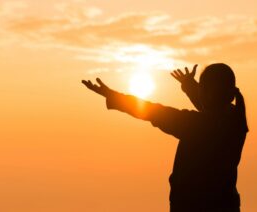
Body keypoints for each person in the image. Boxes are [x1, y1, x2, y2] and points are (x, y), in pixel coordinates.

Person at [82, 63, 248, 212]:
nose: (200, 92)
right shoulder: (234, 119)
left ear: (209, 93)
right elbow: (212, 105)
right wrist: (190, 86)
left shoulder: (198, 126)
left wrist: (113, 96)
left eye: (202, 88)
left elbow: (155, 112)